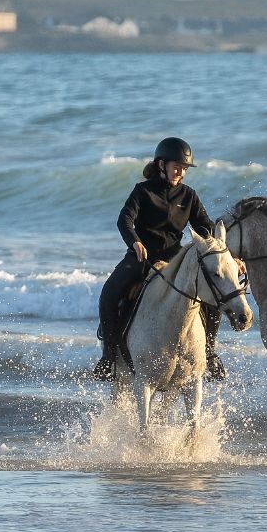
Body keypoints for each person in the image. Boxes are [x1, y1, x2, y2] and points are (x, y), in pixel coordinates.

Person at [92, 137, 221, 381]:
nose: (180, 172)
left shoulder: (189, 195)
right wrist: (135, 242)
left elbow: (206, 228)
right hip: (142, 258)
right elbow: (125, 220)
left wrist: (227, 255)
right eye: (177, 167)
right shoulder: (143, 191)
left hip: (175, 261)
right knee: (109, 292)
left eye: (184, 169)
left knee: (213, 297)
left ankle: (210, 353)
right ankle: (109, 358)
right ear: (161, 164)